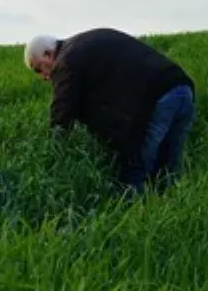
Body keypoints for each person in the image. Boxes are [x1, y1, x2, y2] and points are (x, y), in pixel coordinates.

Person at [24, 28, 196, 193]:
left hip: (158, 99)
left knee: (136, 168)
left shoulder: (66, 60)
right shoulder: (82, 46)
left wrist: (52, 152)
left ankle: (136, 214)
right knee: (167, 170)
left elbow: (62, 109)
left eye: (38, 68)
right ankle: (167, 207)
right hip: (181, 87)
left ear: (48, 53)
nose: (43, 77)